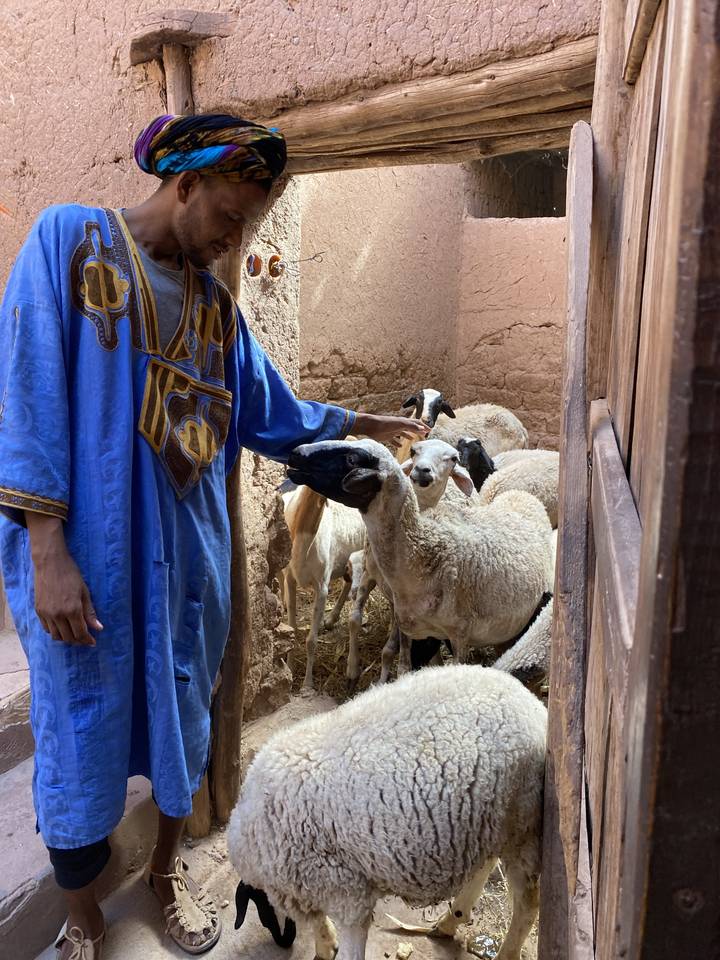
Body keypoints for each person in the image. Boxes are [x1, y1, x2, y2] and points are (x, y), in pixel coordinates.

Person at [0, 113, 427, 959]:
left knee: (181, 726)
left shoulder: (214, 310)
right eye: (228, 218)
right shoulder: (69, 244)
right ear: (184, 183)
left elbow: (273, 412)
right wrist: (47, 554)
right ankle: (85, 920)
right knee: (79, 735)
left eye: (248, 227)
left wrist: (357, 421)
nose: (235, 240)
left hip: (189, 570)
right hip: (89, 568)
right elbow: (29, 395)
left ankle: (163, 872)